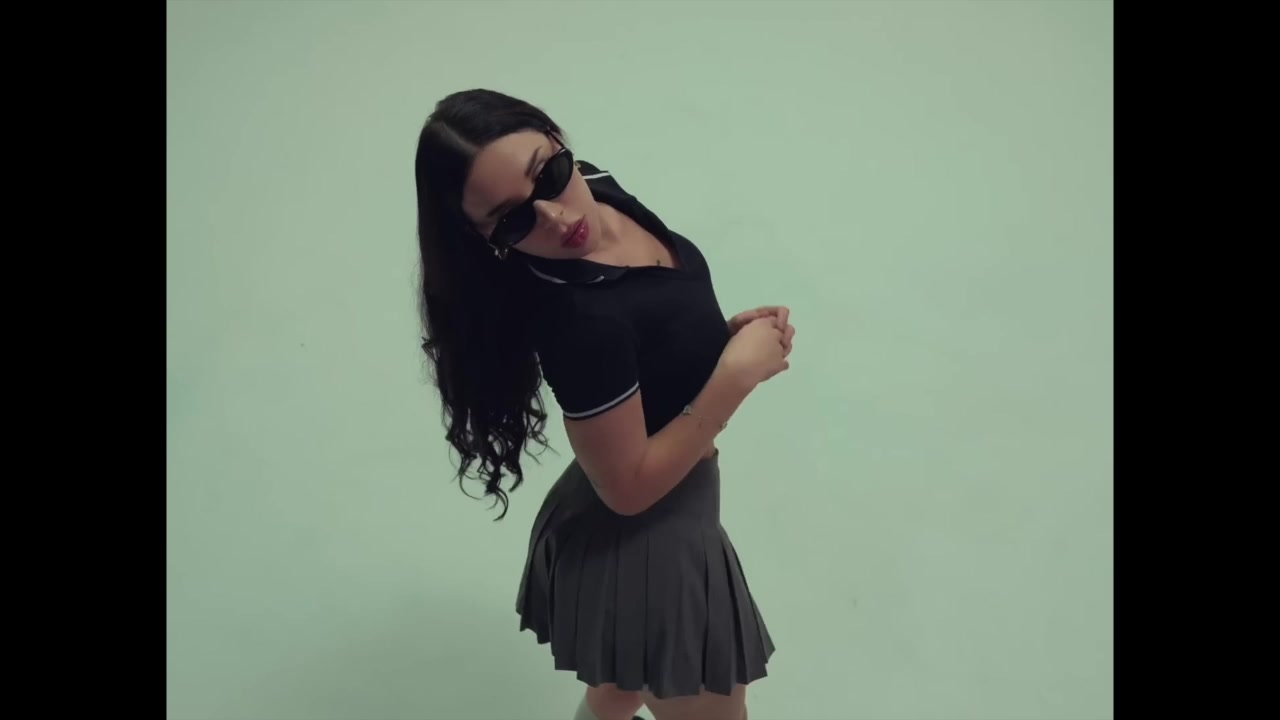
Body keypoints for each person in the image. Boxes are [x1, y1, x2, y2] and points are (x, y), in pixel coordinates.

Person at [413, 89, 795, 720]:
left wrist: (709, 344)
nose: (557, 217)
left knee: (618, 689)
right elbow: (628, 489)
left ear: (559, 141)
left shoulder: (596, 189)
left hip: (643, 520)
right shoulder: (577, 322)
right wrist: (734, 377)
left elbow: (647, 317)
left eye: (549, 174)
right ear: (482, 239)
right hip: (648, 545)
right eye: (512, 221)